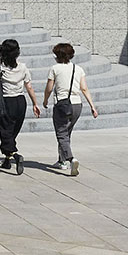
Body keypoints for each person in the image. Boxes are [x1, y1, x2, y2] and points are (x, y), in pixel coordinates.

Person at [39, 42, 95, 176]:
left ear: (57, 55)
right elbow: (84, 88)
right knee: (67, 132)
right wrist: (92, 106)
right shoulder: (78, 69)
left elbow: (49, 88)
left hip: (62, 105)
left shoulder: (55, 69)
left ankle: (70, 159)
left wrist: (45, 100)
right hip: (77, 105)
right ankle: (61, 160)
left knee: (61, 133)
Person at [0, 37, 30, 173]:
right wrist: (36, 103)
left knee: (5, 130)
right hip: (20, 102)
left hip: (5, 102)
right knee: (12, 131)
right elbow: (29, 86)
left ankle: (15, 155)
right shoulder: (23, 67)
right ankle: (7, 161)